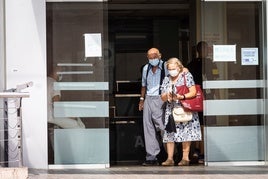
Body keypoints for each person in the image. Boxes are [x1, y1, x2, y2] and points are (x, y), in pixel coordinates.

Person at [160, 57, 202, 166]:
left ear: (179, 67)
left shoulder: (186, 76)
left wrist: (181, 96)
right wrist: (167, 95)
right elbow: (162, 97)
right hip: (171, 109)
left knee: (186, 132)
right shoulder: (166, 79)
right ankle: (170, 158)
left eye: (173, 68)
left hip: (184, 108)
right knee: (170, 132)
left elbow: (193, 92)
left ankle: (185, 158)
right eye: (169, 69)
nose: (171, 71)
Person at [187, 41, 219, 163]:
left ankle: (197, 150)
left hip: (196, 98)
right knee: (203, 125)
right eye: (205, 49)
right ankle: (201, 152)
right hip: (204, 97)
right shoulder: (208, 64)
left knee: (199, 124)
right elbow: (214, 82)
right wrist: (217, 98)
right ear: (201, 50)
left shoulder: (191, 65)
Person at [138, 47, 168, 166]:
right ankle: (151, 156)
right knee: (148, 128)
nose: (152, 58)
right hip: (148, 99)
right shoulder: (146, 68)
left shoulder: (165, 66)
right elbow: (144, 85)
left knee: (162, 127)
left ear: (160, 55)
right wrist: (141, 100)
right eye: (150, 57)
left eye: (154, 56)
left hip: (160, 98)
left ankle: (171, 154)